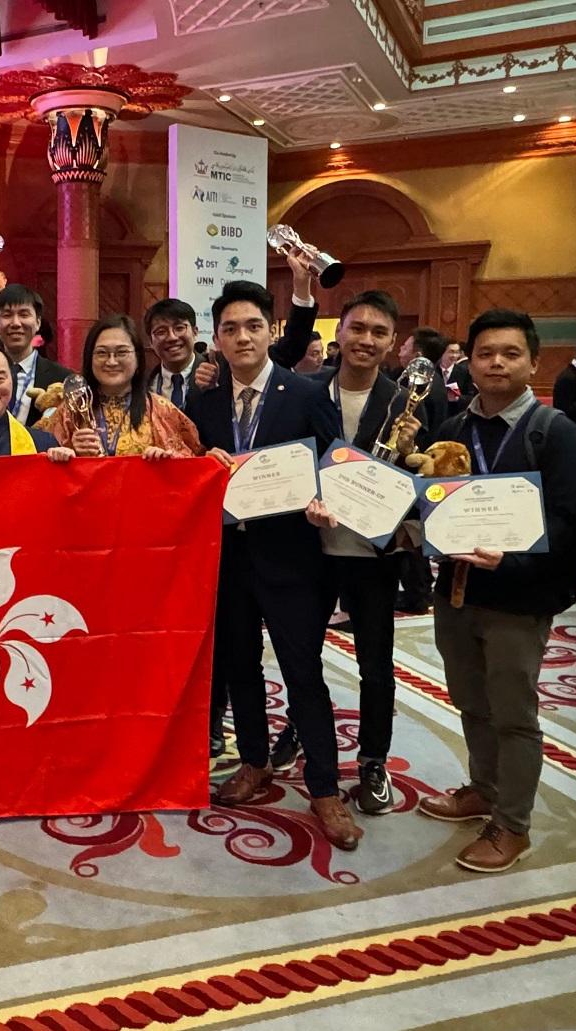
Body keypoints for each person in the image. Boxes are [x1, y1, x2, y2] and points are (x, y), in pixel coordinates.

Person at [417, 308, 576, 874]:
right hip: (458, 590)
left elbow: (567, 523)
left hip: (519, 597)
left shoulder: (555, 432)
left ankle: (512, 824)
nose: (496, 363)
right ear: (469, 361)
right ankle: (484, 788)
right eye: (485, 353)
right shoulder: (451, 430)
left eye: (510, 353)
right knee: (471, 701)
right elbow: (434, 505)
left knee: (514, 712)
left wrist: (509, 560)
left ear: (534, 363)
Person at [188, 281, 355, 848]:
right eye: (230, 328)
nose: (242, 337)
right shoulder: (203, 402)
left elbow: (332, 467)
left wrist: (322, 502)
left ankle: (326, 788)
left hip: (292, 559)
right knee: (240, 667)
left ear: (270, 332)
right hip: (228, 558)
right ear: (216, 338)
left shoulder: (306, 393)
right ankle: (255, 761)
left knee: (302, 671)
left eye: (252, 326)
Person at [294, 290, 434, 818]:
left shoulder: (410, 400)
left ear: (393, 343)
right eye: (357, 329)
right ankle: (302, 735)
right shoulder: (306, 392)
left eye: (379, 332)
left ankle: (373, 760)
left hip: (374, 554)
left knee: (376, 664)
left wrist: (410, 535)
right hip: (308, 549)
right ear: (340, 334)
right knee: (300, 656)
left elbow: (432, 473)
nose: (367, 340)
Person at [39, 314, 202, 459]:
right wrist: (66, 452)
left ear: (138, 358)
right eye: (102, 353)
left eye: (121, 352)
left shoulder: (161, 410)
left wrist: (164, 460)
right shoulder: (69, 411)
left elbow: (195, 462)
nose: (111, 361)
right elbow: (35, 456)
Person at [0, 284, 73, 424]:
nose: (15, 323)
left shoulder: (62, 379)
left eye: (24, 314)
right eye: (7, 315)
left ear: (38, 323)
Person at [143, 298, 218, 408]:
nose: (172, 337)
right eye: (161, 332)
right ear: (150, 342)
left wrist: (216, 390)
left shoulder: (218, 376)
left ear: (195, 331)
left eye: (179, 328)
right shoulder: (144, 385)